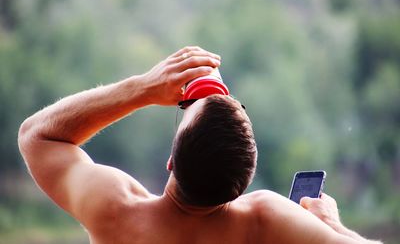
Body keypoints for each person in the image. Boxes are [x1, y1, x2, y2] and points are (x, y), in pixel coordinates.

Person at [18, 46, 382, 244]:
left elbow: (36, 136)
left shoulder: (117, 215)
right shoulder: (267, 221)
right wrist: (333, 228)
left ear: (170, 163)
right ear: (242, 184)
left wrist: (141, 89)